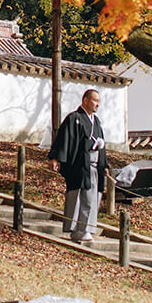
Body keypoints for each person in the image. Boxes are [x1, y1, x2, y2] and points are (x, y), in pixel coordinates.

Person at [48, 89, 107, 242]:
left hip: (94, 165)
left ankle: (87, 229)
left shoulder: (97, 121)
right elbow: (64, 139)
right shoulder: (74, 118)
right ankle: (76, 229)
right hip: (80, 164)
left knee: (92, 198)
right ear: (85, 100)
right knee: (80, 196)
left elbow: (101, 144)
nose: (97, 104)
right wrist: (55, 158)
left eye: (98, 101)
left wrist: (104, 164)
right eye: (95, 100)